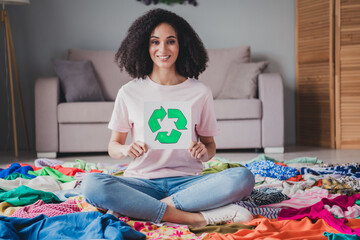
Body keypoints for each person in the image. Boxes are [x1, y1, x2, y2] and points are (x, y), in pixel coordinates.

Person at [81, 8, 255, 227]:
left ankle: (141, 208)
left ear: (182, 45)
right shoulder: (129, 92)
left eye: (170, 41)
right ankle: (193, 217)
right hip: (141, 182)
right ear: (144, 46)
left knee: (243, 177)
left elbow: (209, 146)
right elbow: (113, 145)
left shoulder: (200, 92)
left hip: (189, 183)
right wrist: (126, 149)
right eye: (155, 42)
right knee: (91, 184)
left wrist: (204, 152)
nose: (162, 49)